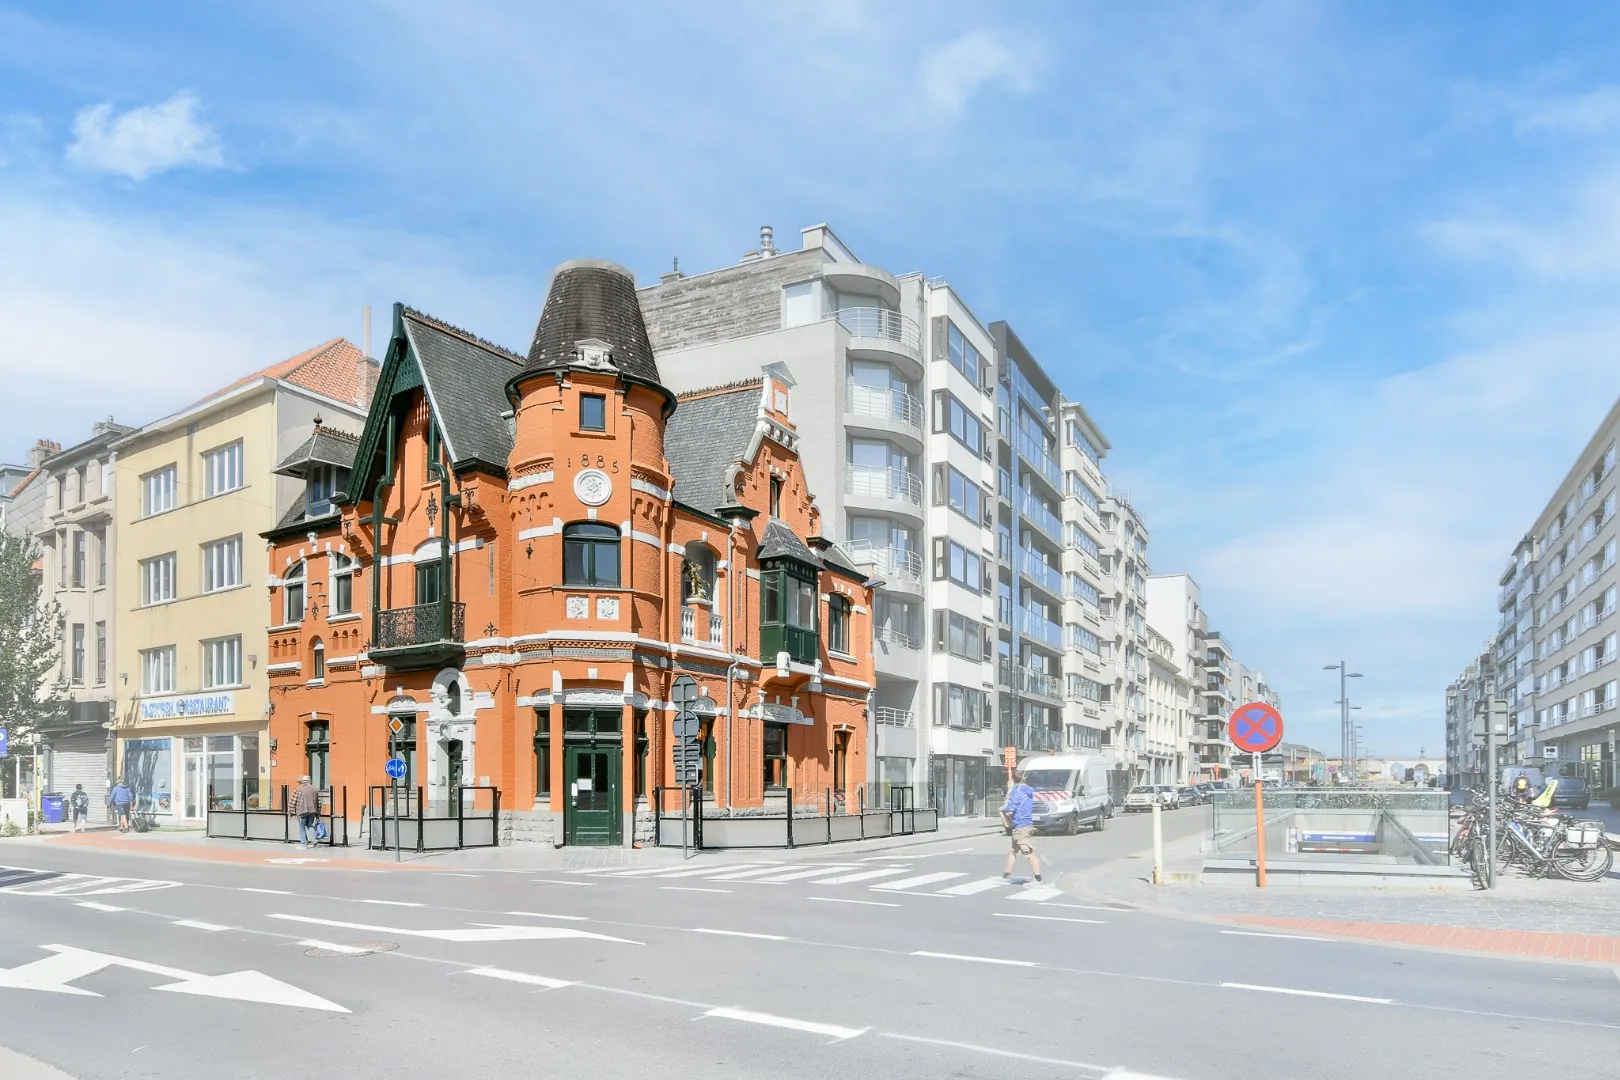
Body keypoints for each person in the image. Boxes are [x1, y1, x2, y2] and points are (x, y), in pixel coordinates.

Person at [1000, 768, 1042, 885]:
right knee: (1013, 851)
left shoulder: (1016, 791)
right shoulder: (1029, 790)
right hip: (1026, 824)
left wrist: (1004, 810)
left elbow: (1010, 810)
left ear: (1013, 779)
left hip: (1020, 826)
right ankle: (1006, 874)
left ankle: (1038, 878)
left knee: (1029, 853)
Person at [292, 775, 321, 849]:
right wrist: (318, 813)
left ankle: (304, 844)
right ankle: (313, 840)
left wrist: (291, 811)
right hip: (312, 811)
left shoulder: (298, 789)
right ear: (310, 781)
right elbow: (319, 802)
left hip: (302, 811)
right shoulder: (315, 789)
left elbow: (293, 801)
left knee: (301, 827)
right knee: (310, 825)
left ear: (302, 782)